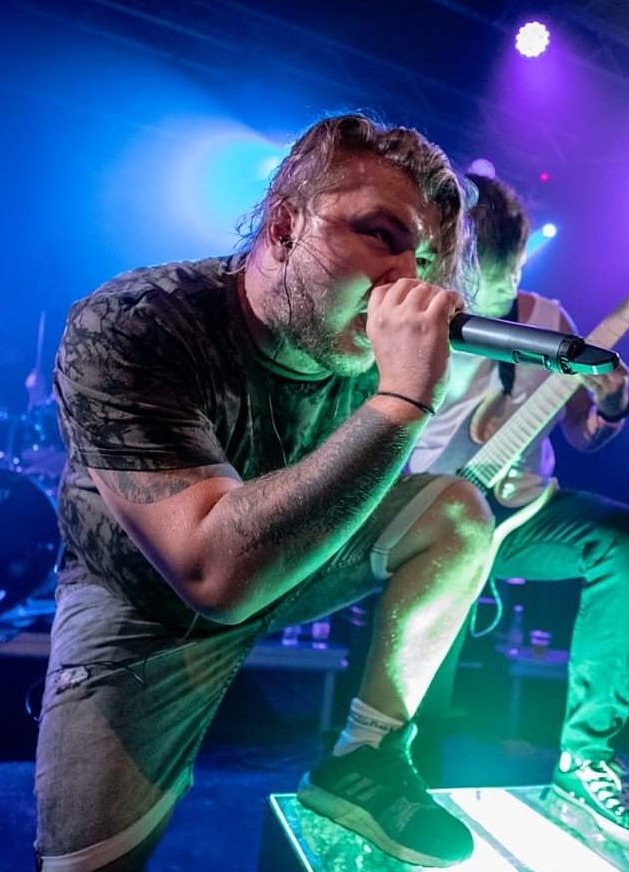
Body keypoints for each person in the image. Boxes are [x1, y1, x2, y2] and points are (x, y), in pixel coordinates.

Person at [36, 113, 498, 871]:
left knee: (455, 514)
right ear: (285, 226)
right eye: (381, 236)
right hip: (148, 606)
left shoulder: (361, 349)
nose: (407, 282)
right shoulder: (137, 324)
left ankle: (368, 757)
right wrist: (403, 402)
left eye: (423, 260)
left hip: (296, 559)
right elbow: (211, 571)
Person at [407, 173, 629, 856]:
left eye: (514, 271)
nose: (500, 291)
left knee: (626, 542)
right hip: (433, 517)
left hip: (528, 514)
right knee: (422, 703)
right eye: (486, 275)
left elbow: (585, 432)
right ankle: (396, 776)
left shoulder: (551, 319)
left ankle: (586, 758)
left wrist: (612, 404)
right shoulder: (422, 316)